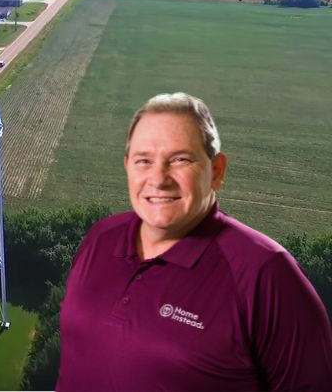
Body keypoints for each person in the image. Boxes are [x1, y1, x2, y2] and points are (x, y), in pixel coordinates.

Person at [57, 92, 332, 390]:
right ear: (127, 167)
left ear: (216, 172)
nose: (158, 179)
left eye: (180, 159)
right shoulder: (100, 238)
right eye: (143, 161)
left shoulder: (266, 274)